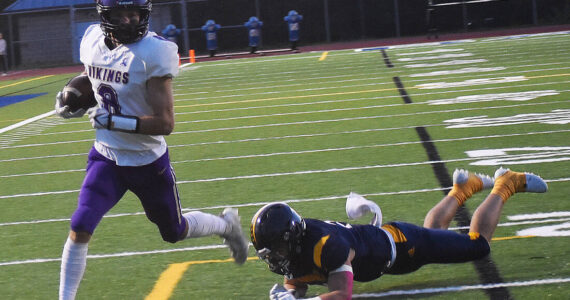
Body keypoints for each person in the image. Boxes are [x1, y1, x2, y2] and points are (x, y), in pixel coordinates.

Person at [54, 1, 249, 299]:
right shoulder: (93, 40)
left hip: (147, 162)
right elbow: (92, 76)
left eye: (136, 14)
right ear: (107, 17)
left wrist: (114, 120)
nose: (131, 21)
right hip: (107, 156)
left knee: (174, 231)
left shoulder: (153, 52)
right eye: (123, 15)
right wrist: (70, 94)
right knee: (80, 223)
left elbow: (165, 123)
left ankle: (225, 225)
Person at [251, 167, 548, 300]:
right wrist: (289, 295)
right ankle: (462, 189)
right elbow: (297, 282)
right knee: (434, 234)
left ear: (291, 238)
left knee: (478, 246)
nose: (275, 257)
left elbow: (342, 294)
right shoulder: (299, 248)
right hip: (394, 250)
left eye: (276, 249)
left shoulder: (327, 245)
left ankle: (506, 183)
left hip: (404, 247)